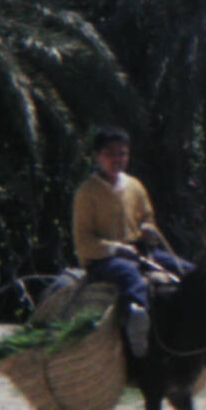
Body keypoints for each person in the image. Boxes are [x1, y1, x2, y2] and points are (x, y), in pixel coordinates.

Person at [71, 127, 191, 357]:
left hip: (141, 252)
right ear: (96, 156)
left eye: (122, 153)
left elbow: (147, 217)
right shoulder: (87, 193)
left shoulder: (135, 186)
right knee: (130, 277)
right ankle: (136, 327)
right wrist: (115, 248)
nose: (117, 159)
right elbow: (83, 241)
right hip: (104, 259)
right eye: (110, 153)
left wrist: (149, 230)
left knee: (188, 271)